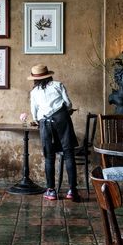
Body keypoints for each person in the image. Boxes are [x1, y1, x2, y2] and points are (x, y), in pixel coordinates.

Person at [27, 64, 80, 201]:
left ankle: (51, 191)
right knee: (68, 155)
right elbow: (68, 104)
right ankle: (72, 191)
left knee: (49, 157)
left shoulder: (34, 92)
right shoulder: (58, 85)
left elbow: (34, 113)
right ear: (48, 75)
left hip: (45, 123)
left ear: (35, 79)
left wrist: (38, 120)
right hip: (62, 119)